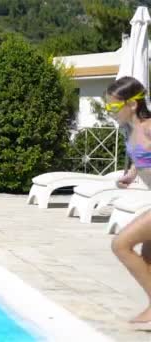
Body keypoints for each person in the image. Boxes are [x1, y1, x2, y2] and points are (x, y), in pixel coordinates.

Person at [106, 76, 151, 324]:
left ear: (132, 104)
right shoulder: (132, 130)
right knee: (147, 258)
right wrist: (133, 173)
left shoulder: (148, 126)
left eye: (113, 107)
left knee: (121, 244)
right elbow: (143, 156)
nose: (110, 112)